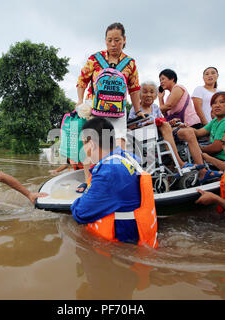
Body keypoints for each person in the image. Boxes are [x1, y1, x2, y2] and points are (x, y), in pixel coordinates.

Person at [75, 22, 142, 192]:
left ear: (124, 40)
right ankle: (89, 182)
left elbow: (134, 89)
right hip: (95, 108)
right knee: (91, 145)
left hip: (118, 112)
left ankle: (114, 182)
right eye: (109, 40)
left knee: (118, 147)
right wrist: (79, 101)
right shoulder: (94, 59)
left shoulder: (130, 63)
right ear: (105, 40)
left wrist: (138, 110)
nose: (113, 44)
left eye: (117, 40)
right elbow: (82, 80)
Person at [71, 118, 158, 247]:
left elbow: (81, 213)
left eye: (83, 144)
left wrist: (79, 200)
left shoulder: (108, 171)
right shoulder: (126, 156)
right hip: (140, 236)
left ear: (91, 144)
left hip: (127, 245)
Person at [178, 91, 225, 184]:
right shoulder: (217, 119)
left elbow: (216, 147)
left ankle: (202, 173)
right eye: (214, 103)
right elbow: (199, 132)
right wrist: (186, 127)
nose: (217, 105)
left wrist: (197, 149)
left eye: (222, 102)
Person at [129, 81, 187, 168]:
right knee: (165, 126)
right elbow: (131, 126)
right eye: (145, 92)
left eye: (152, 92)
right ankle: (179, 162)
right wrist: (144, 125)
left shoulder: (155, 107)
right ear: (139, 95)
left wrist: (174, 124)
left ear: (155, 95)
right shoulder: (136, 108)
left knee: (183, 128)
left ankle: (176, 163)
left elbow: (161, 121)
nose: (149, 95)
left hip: (159, 134)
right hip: (143, 136)